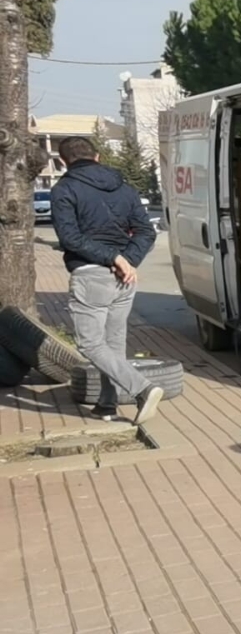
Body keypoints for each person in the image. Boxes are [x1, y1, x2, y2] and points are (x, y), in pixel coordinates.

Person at [49, 136, 164, 424]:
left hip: (91, 275)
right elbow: (146, 232)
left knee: (90, 344)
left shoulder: (64, 189)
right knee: (112, 345)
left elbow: (69, 237)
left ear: (63, 161)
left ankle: (143, 389)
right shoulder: (124, 188)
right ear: (97, 156)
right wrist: (127, 261)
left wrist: (115, 258)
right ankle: (107, 404)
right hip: (124, 278)